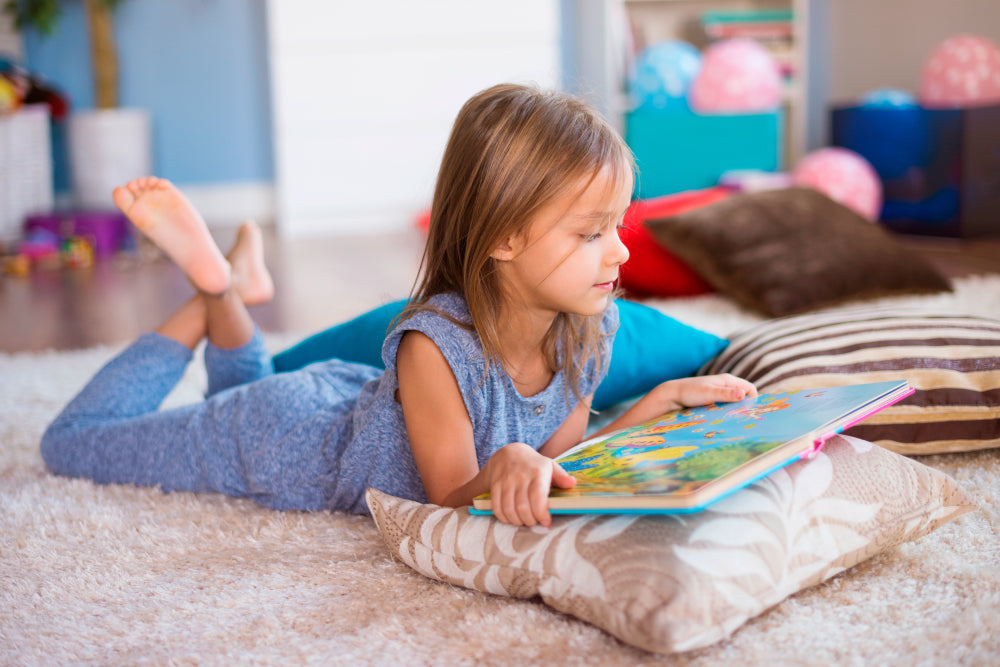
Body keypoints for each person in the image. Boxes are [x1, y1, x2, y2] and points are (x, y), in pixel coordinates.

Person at [41, 83, 755, 527]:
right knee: (72, 444)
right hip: (282, 438)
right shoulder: (434, 343)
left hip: (334, 405)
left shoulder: (588, 333)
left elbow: (558, 462)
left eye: (618, 225)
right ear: (504, 236)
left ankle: (228, 287)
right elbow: (445, 502)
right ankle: (210, 296)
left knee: (242, 382)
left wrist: (656, 402)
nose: (621, 253)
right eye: (591, 233)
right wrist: (503, 457)